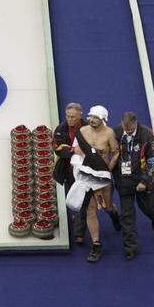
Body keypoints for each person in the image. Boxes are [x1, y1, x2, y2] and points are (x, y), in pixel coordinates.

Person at [67, 105, 121, 262]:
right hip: (86, 176)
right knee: (90, 210)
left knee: (106, 206)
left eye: (96, 118)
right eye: (91, 117)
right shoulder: (83, 131)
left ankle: (114, 214)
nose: (92, 120)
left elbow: (116, 152)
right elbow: (76, 150)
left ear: (103, 119)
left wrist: (107, 169)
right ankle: (96, 244)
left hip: (102, 177)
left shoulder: (109, 134)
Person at [113, 112, 154, 260]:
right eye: (125, 128)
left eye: (130, 129)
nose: (127, 131)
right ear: (121, 123)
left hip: (143, 179)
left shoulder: (147, 134)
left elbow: (153, 161)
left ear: (136, 123)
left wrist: (144, 181)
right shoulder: (116, 132)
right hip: (124, 179)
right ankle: (130, 247)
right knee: (127, 215)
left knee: (147, 207)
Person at [53, 103, 88, 245]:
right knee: (75, 199)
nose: (70, 119)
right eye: (67, 116)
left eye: (73, 117)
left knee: (87, 203)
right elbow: (59, 150)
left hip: (86, 171)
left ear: (80, 115)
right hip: (68, 172)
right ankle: (79, 230)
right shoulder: (60, 129)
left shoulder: (88, 129)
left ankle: (79, 233)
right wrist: (75, 150)